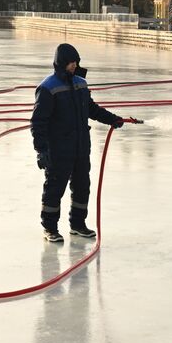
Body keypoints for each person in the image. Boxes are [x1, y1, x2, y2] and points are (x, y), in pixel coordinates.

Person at [31, 43, 126, 244]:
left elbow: (92, 109)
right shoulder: (48, 88)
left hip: (81, 148)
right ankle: (50, 228)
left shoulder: (80, 83)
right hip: (59, 150)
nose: (74, 65)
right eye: (70, 63)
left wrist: (113, 119)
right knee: (55, 189)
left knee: (82, 187)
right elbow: (38, 122)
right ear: (61, 63)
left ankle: (78, 225)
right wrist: (41, 150)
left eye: (76, 62)